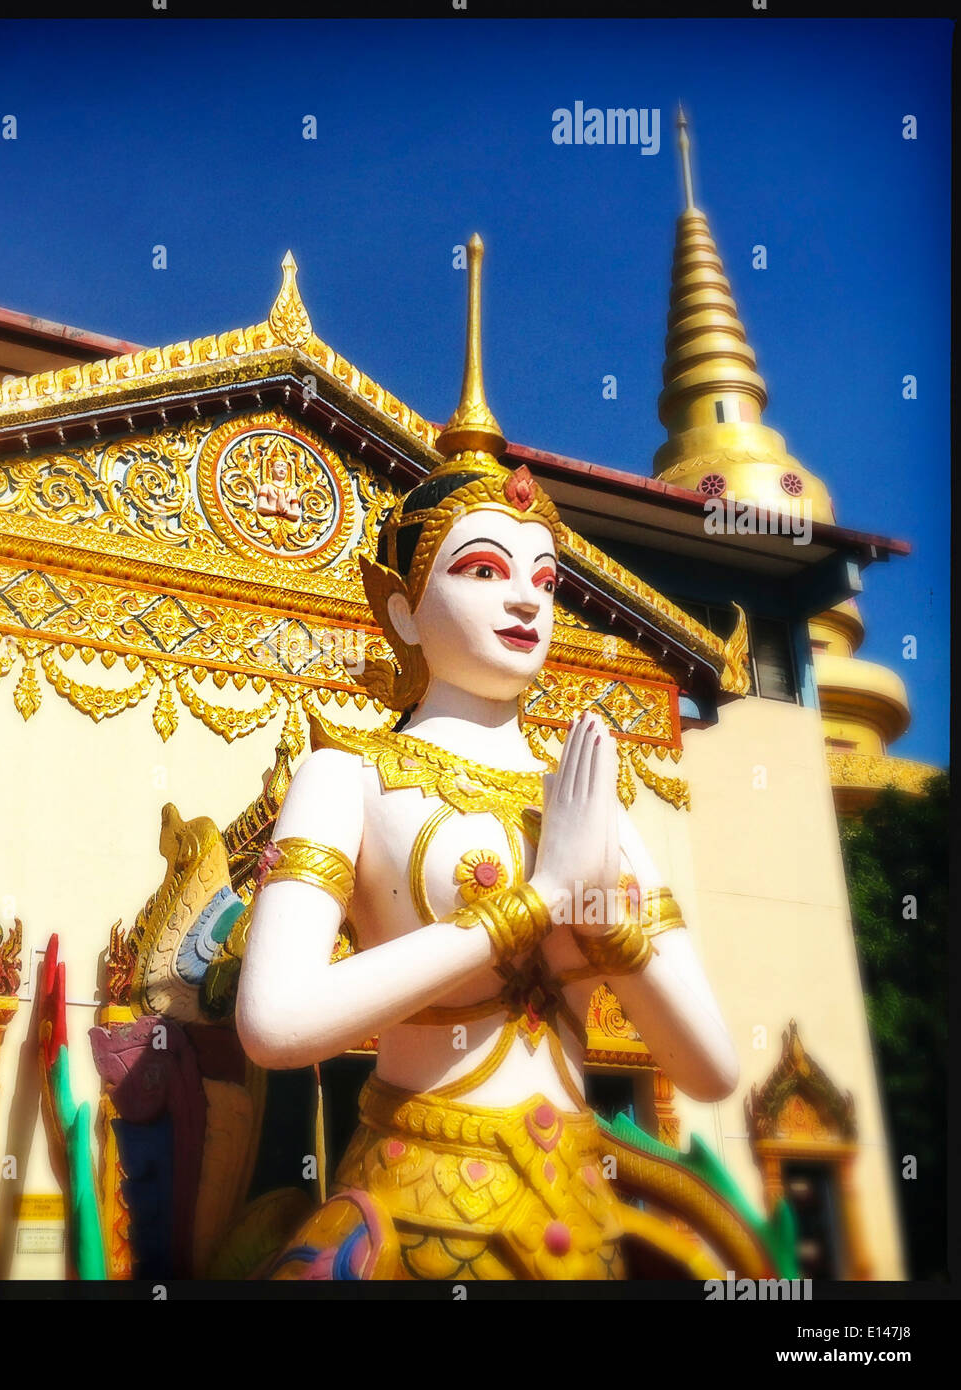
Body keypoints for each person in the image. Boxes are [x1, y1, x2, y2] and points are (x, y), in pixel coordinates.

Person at [236, 237, 737, 1280]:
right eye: (481, 568)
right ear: (404, 610)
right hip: (412, 1206)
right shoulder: (353, 772)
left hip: (569, 1210)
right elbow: (276, 1023)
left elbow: (710, 1067)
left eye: (546, 581)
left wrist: (602, 911)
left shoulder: (583, 794)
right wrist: (535, 897)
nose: (524, 599)